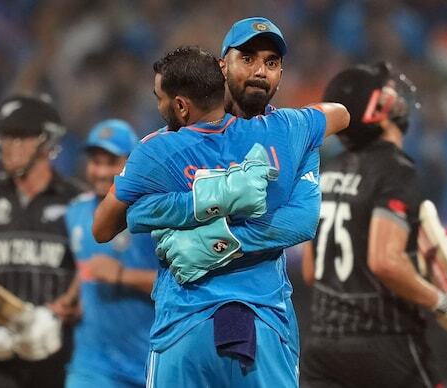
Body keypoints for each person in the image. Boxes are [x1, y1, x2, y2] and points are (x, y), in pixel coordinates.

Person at [92, 46, 349, 387]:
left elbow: (103, 226)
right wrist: (219, 197)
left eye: (160, 98)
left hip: (183, 325)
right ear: (223, 72)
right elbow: (341, 114)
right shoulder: (281, 132)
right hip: (262, 323)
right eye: (249, 59)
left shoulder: (154, 150)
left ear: (181, 105)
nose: (259, 70)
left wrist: (204, 230)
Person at [124, 15, 320, 371]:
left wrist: (215, 241)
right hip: (182, 319)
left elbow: (301, 221)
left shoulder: (294, 133)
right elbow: (134, 213)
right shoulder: (170, 144)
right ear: (221, 65)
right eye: (247, 58)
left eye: (271, 63)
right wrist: (203, 203)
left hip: (263, 319)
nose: (260, 70)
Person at [300, 63, 447, 388]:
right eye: (389, 93)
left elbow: (311, 270)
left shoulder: (327, 170)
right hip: (384, 343)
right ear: (378, 110)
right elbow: (385, 261)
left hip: (322, 345)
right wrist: (445, 303)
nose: (398, 98)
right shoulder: (396, 170)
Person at [0, 95, 83, 388]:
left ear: (47, 143)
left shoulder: (77, 202)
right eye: (5, 136)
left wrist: (64, 307)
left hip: (56, 353)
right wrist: (4, 317)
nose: (7, 145)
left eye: (19, 137)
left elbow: (89, 271)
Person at [64, 119, 158, 388]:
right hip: (92, 368)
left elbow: (179, 284)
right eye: (96, 162)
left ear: (131, 163)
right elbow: (84, 266)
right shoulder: (75, 212)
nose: (102, 172)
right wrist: (71, 299)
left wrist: (122, 275)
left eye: (112, 162)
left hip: (149, 363)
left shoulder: (152, 213)